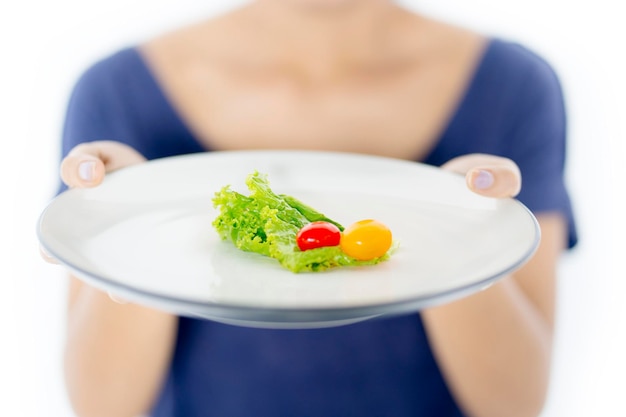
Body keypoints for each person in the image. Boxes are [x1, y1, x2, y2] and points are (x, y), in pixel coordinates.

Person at [45, 1, 577, 416]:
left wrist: (460, 238)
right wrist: (133, 221)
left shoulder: (514, 87)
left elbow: (515, 402)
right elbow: (102, 404)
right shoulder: (115, 91)